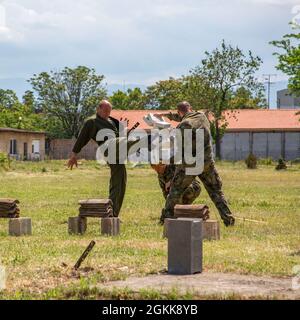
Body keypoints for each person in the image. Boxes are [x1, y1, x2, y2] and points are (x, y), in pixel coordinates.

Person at [154, 101, 235, 227]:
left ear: (180, 112)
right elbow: (182, 115)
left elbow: (178, 152)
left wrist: (167, 161)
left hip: (190, 164)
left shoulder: (182, 126)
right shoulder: (202, 116)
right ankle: (229, 220)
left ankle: (165, 220)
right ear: (190, 108)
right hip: (207, 162)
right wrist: (164, 114)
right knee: (216, 192)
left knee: (175, 192)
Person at [67, 100, 137, 217]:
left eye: (109, 111)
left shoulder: (113, 121)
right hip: (109, 149)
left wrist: (124, 130)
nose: (107, 113)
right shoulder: (92, 122)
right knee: (134, 141)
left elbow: (121, 136)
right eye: (105, 111)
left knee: (120, 182)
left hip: (118, 150)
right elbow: (82, 138)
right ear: (98, 109)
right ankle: (150, 140)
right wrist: (74, 155)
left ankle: (113, 214)